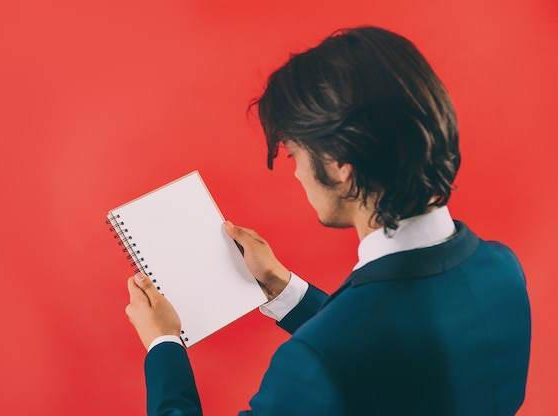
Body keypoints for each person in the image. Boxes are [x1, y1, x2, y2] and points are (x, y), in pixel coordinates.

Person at [124, 26, 531, 415]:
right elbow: (386, 354)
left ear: (339, 168)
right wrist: (282, 288)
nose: (297, 173)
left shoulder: (316, 360)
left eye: (294, 155)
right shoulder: (503, 271)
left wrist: (163, 345)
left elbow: (352, 349)